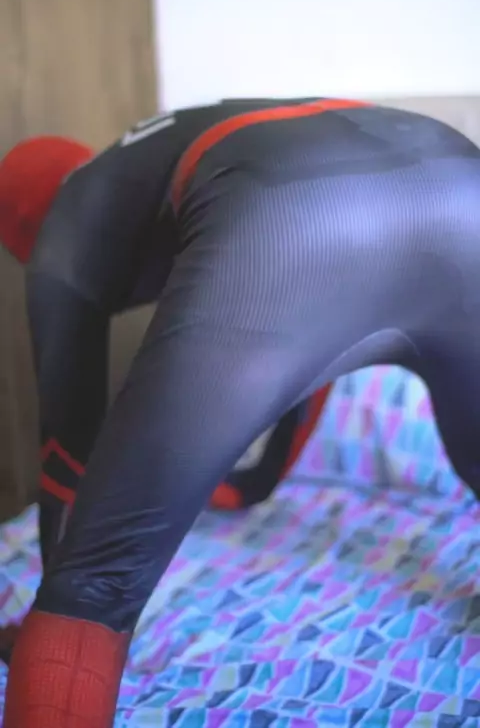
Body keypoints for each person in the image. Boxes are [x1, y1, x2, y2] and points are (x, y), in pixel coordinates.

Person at [1, 97, 480, 727]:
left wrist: (64, 593)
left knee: (97, 583)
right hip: (460, 175)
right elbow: (316, 346)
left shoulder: (68, 219)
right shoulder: (148, 154)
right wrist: (256, 481)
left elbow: (68, 453)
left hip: (291, 206)